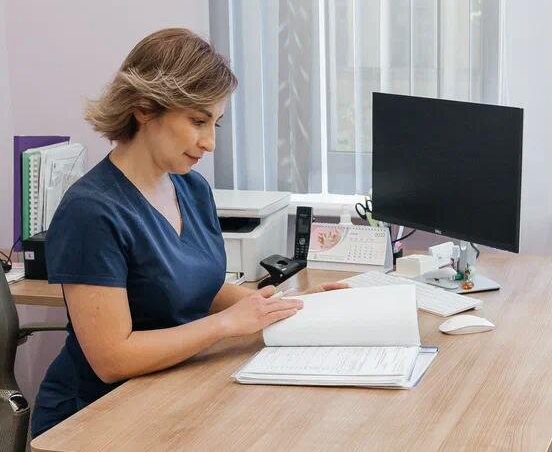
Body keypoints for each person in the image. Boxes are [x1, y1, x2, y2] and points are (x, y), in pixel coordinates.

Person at [30, 28, 347, 438]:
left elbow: (198, 289)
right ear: (144, 109)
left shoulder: (191, 188)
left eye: (215, 123)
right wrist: (226, 325)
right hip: (96, 416)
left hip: (172, 390)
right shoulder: (90, 211)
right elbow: (112, 359)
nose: (210, 142)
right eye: (198, 121)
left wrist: (290, 308)